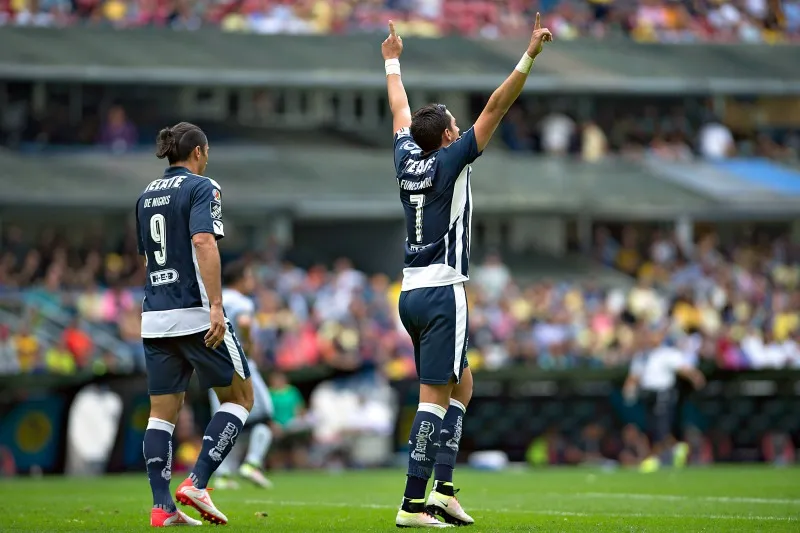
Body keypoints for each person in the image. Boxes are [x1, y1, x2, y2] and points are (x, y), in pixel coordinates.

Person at [382, 16, 552, 528]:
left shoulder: (406, 154)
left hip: (410, 292)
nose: (461, 128)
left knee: (463, 384)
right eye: (455, 125)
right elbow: (496, 106)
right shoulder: (449, 160)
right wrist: (529, 57)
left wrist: (392, 59)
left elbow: (399, 111)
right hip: (441, 289)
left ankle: (445, 488)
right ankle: (413, 503)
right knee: (433, 399)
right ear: (448, 137)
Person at [136, 122, 254, 527]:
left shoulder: (145, 194)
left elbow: (148, 260)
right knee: (241, 399)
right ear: (199, 152)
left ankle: (161, 507)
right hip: (195, 313)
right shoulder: (203, 187)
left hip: (155, 316)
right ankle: (198, 482)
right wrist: (217, 305)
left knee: (160, 416)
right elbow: (203, 241)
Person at [209, 261, 275, 489]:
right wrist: (247, 342)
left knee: (224, 419)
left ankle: (222, 475)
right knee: (265, 413)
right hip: (240, 364)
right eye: (249, 276)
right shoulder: (241, 301)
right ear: (241, 278)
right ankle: (252, 464)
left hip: (215, 365)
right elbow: (245, 322)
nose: (252, 281)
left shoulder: (214, 298)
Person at [623, 326, 706, 473]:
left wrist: (695, 377)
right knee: (652, 427)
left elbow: (684, 369)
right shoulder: (642, 356)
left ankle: (654, 458)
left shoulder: (667, 354)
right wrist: (629, 389)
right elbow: (634, 376)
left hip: (663, 394)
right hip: (647, 395)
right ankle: (676, 448)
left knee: (661, 428)